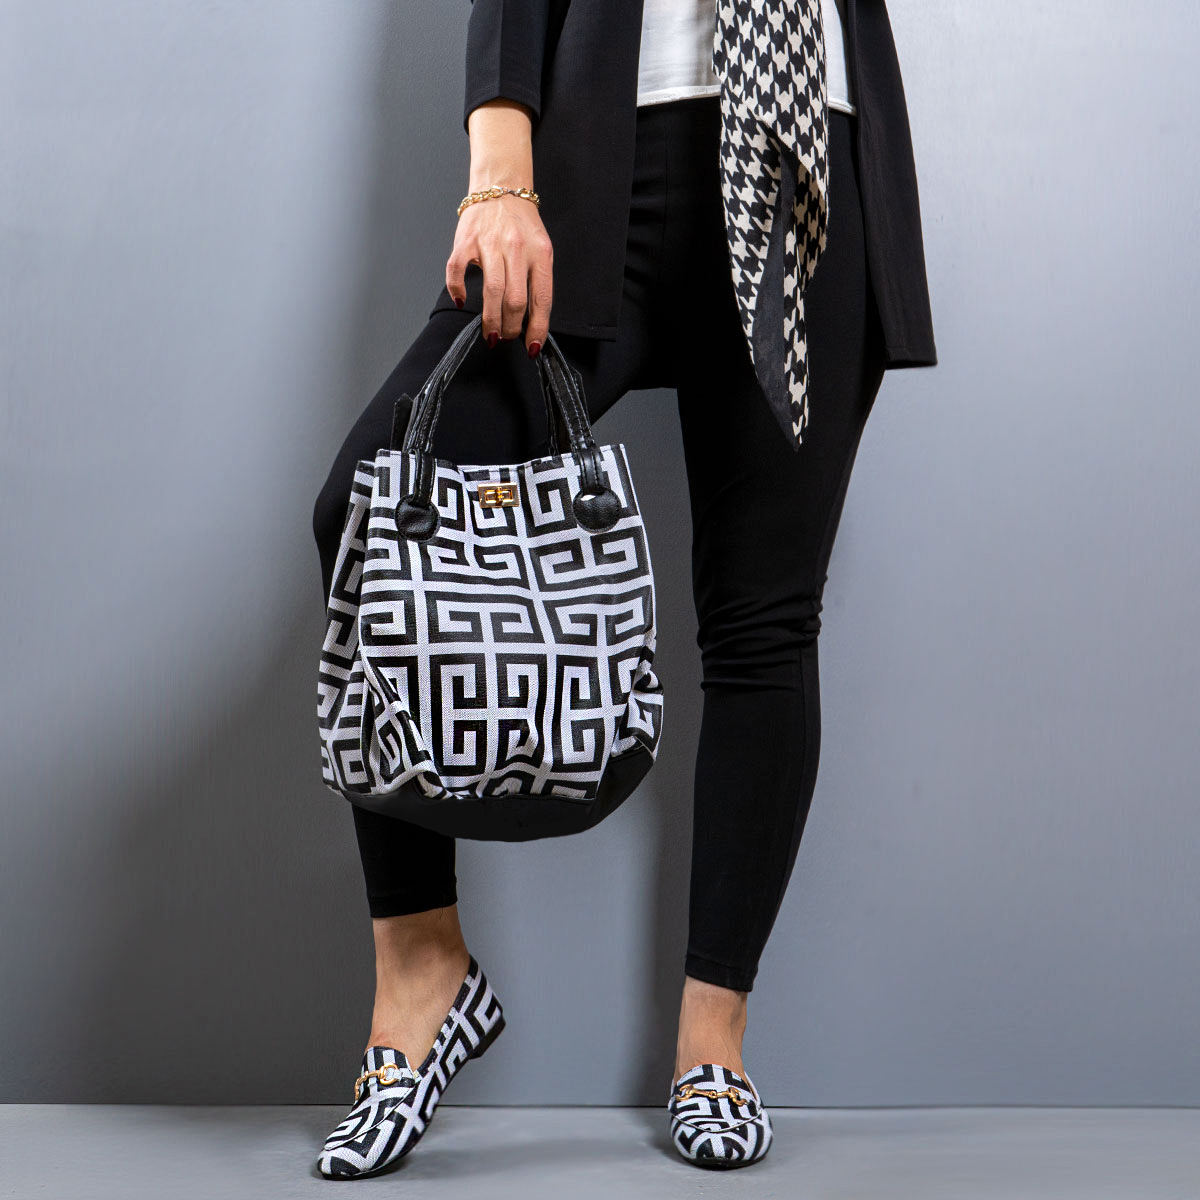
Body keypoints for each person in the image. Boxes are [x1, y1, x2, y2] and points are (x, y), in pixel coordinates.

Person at [311, 0, 936, 1177]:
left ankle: (713, 1046)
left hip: (809, 148)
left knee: (763, 621)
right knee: (370, 507)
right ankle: (424, 968)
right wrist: (501, 171)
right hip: (614, 142)